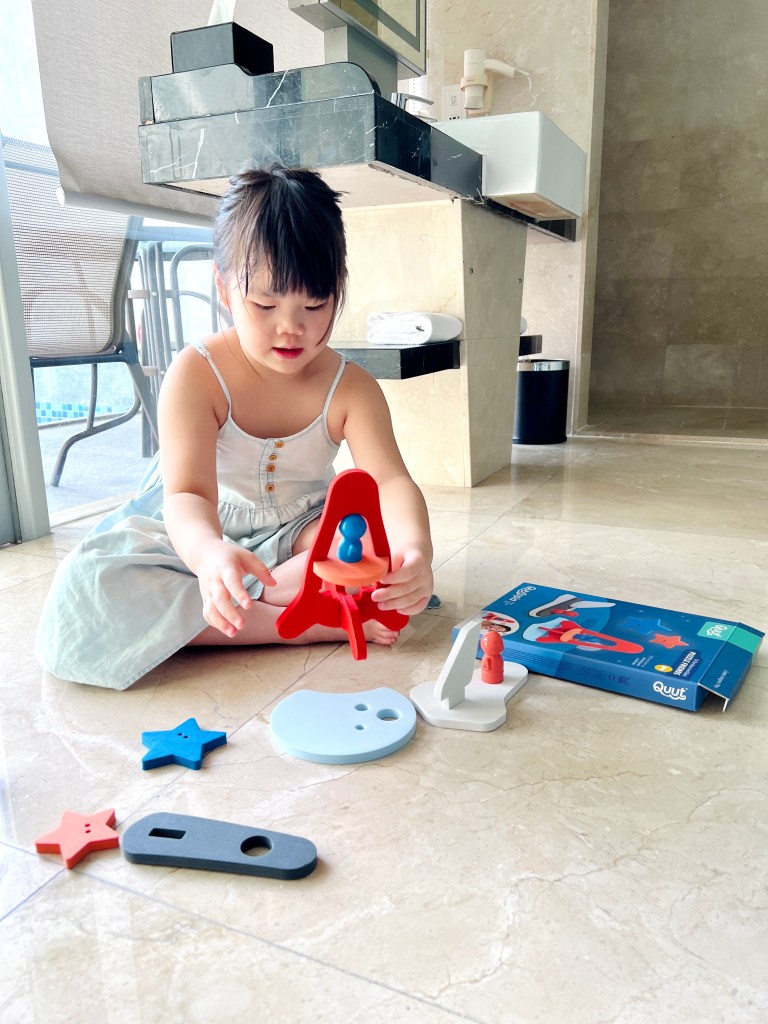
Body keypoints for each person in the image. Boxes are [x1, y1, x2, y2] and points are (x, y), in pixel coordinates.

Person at [36, 165, 434, 690]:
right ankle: (297, 624)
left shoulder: (350, 387)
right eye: (265, 304)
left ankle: (275, 600)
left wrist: (415, 551)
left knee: (364, 553)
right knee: (88, 588)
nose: (290, 327)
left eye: (314, 305)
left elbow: (390, 482)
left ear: (338, 290)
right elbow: (187, 495)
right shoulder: (196, 374)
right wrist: (208, 556)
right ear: (223, 289)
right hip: (203, 521)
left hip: (301, 529)